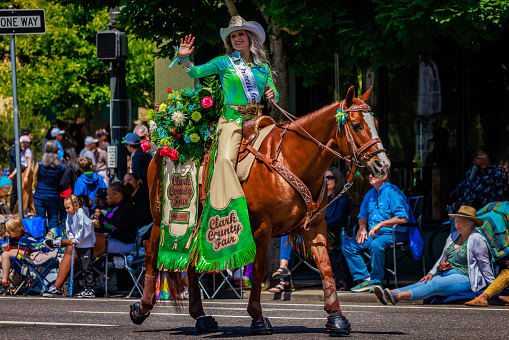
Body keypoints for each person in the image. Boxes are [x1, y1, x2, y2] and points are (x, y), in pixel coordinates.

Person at [374, 206, 495, 304]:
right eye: (456, 221)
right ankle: (390, 293)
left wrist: (493, 288)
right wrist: (431, 273)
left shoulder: (477, 239)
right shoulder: (453, 236)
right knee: (424, 282)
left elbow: (484, 265)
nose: (457, 224)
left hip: (466, 277)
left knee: (434, 285)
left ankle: (398, 296)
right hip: (448, 271)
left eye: (460, 222)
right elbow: (442, 258)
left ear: (470, 223)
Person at [44, 182, 139, 297]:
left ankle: (63, 242)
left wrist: (101, 218)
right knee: (71, 250)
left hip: (123, 243)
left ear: (117, 194)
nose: (106, 198)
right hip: (110, 240)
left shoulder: (127, 208)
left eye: (108, 195)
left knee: (85, 240)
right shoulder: (114, 207)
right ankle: (57, 286)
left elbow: (114, 228)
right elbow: (109, 225)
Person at [342, 173, 410, 292]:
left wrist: (381, 224)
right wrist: (362, 228)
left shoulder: (393, 191)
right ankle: (364, 279)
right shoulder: (369, 194)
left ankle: (376, 281)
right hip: (374, 234)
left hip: (394, 233)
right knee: (348, 245)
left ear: (384, 176)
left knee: (376, 245)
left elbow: (403, 218)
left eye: (375, 174)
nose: (370, 176)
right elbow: (362, 215)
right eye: (370, 173)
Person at [447, 145, 507, 232]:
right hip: (464, 211)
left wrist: (481, 202)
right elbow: (464, 185)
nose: (475, 159)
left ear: (486, 158)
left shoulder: (497, 173)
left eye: (478, 156)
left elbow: (498, 194)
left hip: (482, 213)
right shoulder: (474, 170)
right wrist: (453, 196)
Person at [0, 217, 50, 295]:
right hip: (15, 261)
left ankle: (4, 282)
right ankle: (3, 280)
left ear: (18, 230)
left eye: (10, 231)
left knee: (5, 255)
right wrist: (6, 250)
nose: (8, 233)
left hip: (26, 262)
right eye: (7, 231)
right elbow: (8, 253)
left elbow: (30, 255)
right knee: (3, 255)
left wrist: (13, 251)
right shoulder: (12, 238)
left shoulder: (27, 238)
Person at [60, 195, 96, 298]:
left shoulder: (81, 214)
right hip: (79, 245)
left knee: (86, 267)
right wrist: (71, 238)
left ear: (75, 205)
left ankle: (90, 289)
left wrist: (77, 239)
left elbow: (86, 228)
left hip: (86, 245)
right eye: (65, 208)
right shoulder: (70, 215)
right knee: (81, 267)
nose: (67, 210)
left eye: (68, 208)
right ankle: (85, 288)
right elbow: (68, 227)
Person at [324, 167, 352, 290]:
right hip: (319, 234)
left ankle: (336, 281)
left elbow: (339, 220)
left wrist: (320, 224)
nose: (326, 180)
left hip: (334, 234)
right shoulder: (320, 198)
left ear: (337, 179)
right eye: (324, 178)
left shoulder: (342, 197)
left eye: (330, 177)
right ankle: (285, 279)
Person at [33, 141, 66, 238]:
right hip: (54, 196)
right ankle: (52, 240)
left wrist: (38, 189)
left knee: (40, 219)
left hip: (40, 196)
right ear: (57, 150)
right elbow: (62, 182)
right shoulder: (61, 166)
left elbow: (35, 181)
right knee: (53, 220)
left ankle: (41, 239)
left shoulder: (39, 164)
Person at [8, 135, 35, 217]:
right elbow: (19, 165)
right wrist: (12, 175)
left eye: (21, 143)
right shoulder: (22, 152)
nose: (20, 145)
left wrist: (26, 176)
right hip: (22, 172)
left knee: (24, 193)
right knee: (28, 193)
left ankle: (19, 213)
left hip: (26, 172)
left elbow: (29, 164)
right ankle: (33, 211)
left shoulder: (28, 151)